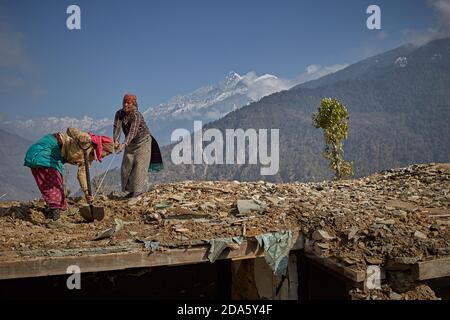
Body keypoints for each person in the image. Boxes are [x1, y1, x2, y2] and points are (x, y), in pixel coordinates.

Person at [24, 127, 114, 220]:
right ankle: (56, 219)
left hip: (55, 157)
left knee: (58, 183)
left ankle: (61, 209)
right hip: (45, 151)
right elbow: (70, 129)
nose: (104, 157)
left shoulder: (88, 158)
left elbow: (82, 174)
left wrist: (87, 193)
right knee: (54, 184)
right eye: (106, 154)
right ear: (102, 147)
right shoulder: (87, 141)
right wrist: (80, 136)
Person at [113, 93, 155, 198]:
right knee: (126, 167)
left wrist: (124, 144)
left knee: (139, 166)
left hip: (143, 142)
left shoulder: (137, 115)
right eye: (124, 102)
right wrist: (116, 141)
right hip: (130, 144)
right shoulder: (119, 114)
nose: (125, 105)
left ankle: (137, 192)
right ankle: (131, 190)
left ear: (133, 104)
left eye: (128, 103)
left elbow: (133, 131)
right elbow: (117, 128)